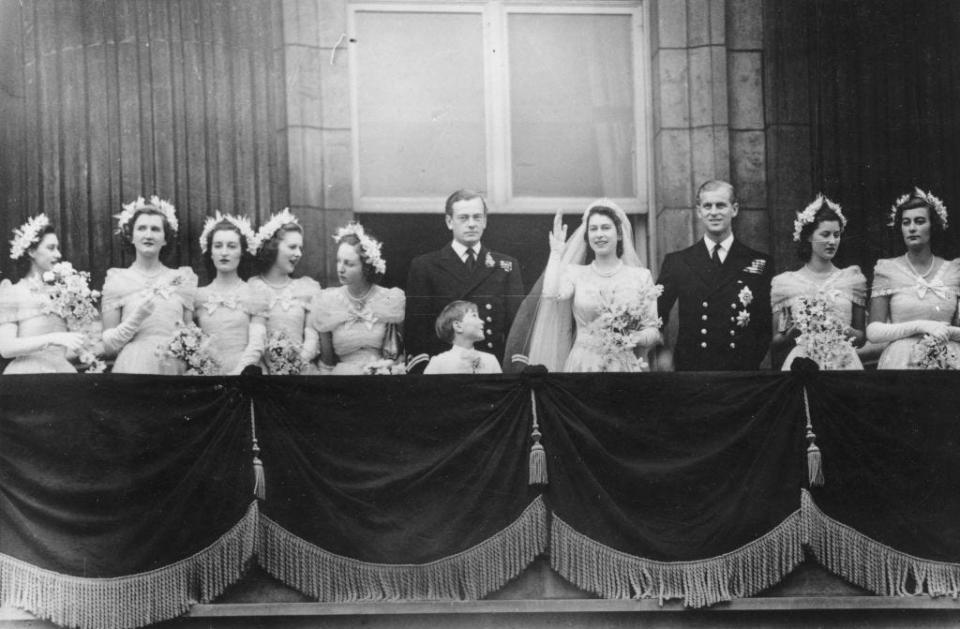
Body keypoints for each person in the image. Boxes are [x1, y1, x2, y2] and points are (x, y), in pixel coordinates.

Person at [510, 200, 660, 372]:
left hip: (623, 366)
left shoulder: (640, 276)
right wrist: (556, 252)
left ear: (619, 234)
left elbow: (653, 331)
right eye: (593, 229)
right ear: (587, 236)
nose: (599, 234)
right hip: (583, 364)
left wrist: (629, 337)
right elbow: (551, 294)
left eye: (606, 228)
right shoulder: (576, 273)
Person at [656, 180, 773, 371]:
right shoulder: (678, 262)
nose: (713, 212)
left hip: (740, 372)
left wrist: (750, 361)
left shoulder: (759, 262)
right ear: (699, 211)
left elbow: (764, 325)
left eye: (721, 205)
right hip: (692, 373)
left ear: (734, 209)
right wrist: (662, 353)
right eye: (707, 206)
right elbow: (655, 316)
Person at [405, 189, 524, 368]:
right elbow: (416, 329)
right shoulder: (425, 266)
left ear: (485, 221)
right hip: (445, 370)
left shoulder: (506, 265)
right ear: (449, 221)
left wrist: (514, 369)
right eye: (463, 218)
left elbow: (517, 327)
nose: (471, 224)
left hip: (492, 368)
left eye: (477, 217)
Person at [101, 196, 198, 374]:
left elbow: (189, 334)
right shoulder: (117, 280)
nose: (148, 235)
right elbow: (109, 346)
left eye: (155, 229)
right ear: (131, 236)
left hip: (173, 366)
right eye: (141, 228)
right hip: (134, 366)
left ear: (165, 238)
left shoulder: (181, 279)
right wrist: (136, 318)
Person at [866, 188, 960, 369]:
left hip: (949, 360)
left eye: (920, 221)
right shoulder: (887, 269)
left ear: (933, 225)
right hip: (901, 361)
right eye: (906, 222)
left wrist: (944, 331)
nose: (912, 228)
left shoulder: (954, 270)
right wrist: (919, 326)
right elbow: (873, 331)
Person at [770, 195, 866, 370]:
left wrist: (837, 326)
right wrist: (795, 330)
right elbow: (777, 342)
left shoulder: (852, 278)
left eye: (836, 235)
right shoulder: (785, 283)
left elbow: (861, 338)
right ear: (808, 237)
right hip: (803, 364)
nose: (832, 241)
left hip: (844, 364)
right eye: (825, 234)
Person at [310, 222, 405, 374]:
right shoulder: (327, 301)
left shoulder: (390, 299)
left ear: (366, 267)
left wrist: (385, 367)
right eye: (339, 261)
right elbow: (327, 363)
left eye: (349, 264)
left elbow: (400, 354)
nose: (340, 269)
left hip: (379, 377)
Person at [0, 214, 86, 373]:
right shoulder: (13, 292)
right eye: (51, 248)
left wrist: (83, 348)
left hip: (61, 371)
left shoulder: (61, 293)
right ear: (32, 251)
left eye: (57, 248)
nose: (58, 255)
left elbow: (67, 345)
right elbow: (6, 348)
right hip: (27, 374)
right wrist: (53, 338)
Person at [247, 208, 321, 374]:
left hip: (300, 372)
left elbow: (312, 336)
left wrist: (296, 365)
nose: (299, 253)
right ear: (273, 247)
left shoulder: (307, 288)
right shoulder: (253, 286)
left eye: (300, 248)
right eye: (292, 247)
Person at [194, 212, 268, 374]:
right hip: (208, 374)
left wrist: (237, 374)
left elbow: (257, 343)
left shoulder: (255, 293)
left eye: (232, 246)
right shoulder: (198, 296)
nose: (224, 252)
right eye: (218, 246)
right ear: (210, 252)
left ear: (242, 251)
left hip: (245, 374)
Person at [423, 300, 502, 374]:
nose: (482, 321)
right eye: (474, 316)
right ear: (458, 326)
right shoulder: (439, 362)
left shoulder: (490, 360)